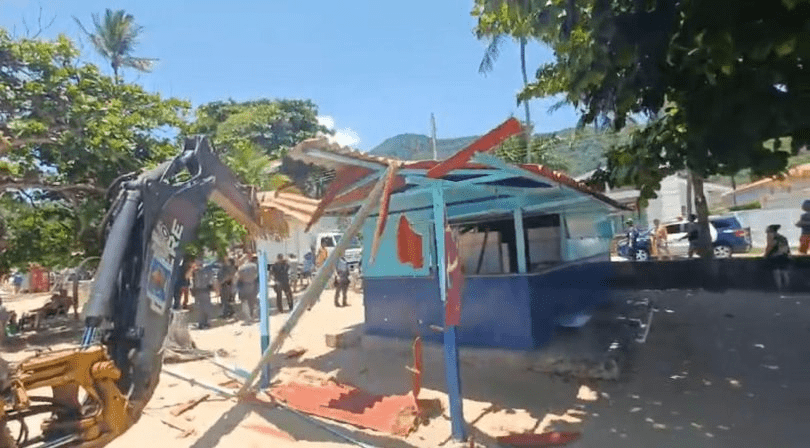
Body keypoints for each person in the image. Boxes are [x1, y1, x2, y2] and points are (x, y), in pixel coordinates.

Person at [765, 224, 791, 291]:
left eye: (768, 231)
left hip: (776, 257)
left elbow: (770, 246)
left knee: (776, 272)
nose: (767, 233)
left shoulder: (772, 236)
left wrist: (765, 255)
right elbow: (788, 249)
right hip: (785, 256)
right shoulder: (783, 237)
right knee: (784, 272)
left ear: (771, 231)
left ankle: (779, 288)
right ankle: (787, 287)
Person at [190, 259, 215, 329]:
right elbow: (188, 277)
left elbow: (212, 280)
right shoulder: (195, 271)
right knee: (200, 307)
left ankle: (207, 322)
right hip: (198, 291)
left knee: (206, 307)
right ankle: (202, 323)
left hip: (205, 290)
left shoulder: (206, 270)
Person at [237, 254, 260, 320]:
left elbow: (239, 277)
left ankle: (248, 317)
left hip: (243, 287)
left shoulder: (240, 268)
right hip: (252, 285)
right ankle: (253, 314)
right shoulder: (254, 266)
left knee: (245, 302)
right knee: (252, 301)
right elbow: (256, 275)